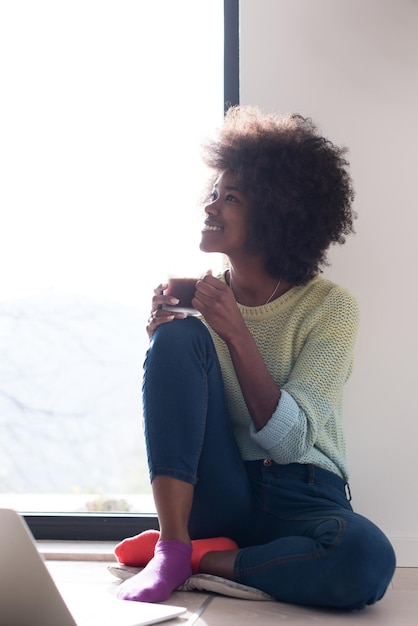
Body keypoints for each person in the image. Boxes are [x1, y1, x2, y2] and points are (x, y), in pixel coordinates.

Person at [115, 106, 396, 610]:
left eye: (231, 198)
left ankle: (202, 559)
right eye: (213, 194)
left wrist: (237, 332)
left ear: (275, 215)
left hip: (303, 493)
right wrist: (168, 343)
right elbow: (183, 421)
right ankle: (173, 543)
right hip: (221, 489)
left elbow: (290, 443)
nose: (210, 206)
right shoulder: (200, 304)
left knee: (366, 559)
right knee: (177, 342)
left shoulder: (330, 307)